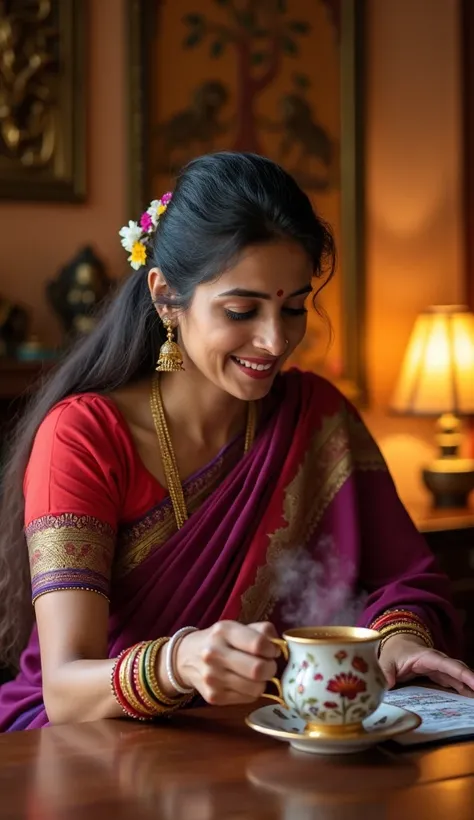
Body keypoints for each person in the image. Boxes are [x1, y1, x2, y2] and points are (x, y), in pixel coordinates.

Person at [0, 152, 472, 732]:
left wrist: (395, 642)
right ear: (167, 295)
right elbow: (66, 688)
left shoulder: (317, 416)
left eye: (294, 307)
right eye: (242, 310)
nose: (275, 340)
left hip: (274, 743)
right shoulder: (83, 439)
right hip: (97, 751)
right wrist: (178, 663)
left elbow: (404, 580)